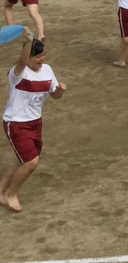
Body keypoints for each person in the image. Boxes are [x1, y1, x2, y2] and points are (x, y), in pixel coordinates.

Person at [0, 30, 66, 212]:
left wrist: (60, 91)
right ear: (28, 57)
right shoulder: (18, 73)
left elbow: (54, 95)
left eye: (44, 55)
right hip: (16, 123)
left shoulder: (47, 70)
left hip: (35, 123)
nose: (41, 59)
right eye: (37, 56)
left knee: (22, 160)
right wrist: (29, 40)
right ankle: (11, 194)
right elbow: (21, 60)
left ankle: (1, 189)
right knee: (31, 162)